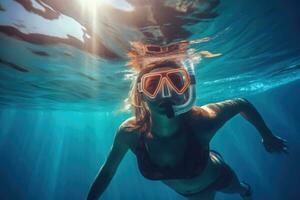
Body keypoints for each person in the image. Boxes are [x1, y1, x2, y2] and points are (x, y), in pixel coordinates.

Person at [86, 43, 288, 200]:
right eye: (153, 84)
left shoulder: (202, 121)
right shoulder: (129, 133)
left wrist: (267, 136)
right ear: (142, 93)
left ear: (187, 89)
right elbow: (107, 171)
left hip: (219, 175)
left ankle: (245, 191)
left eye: (175, 82)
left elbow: (241, 103)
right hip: (192, 195)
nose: (165, 93)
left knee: (239, 189)